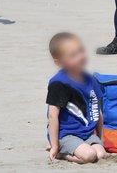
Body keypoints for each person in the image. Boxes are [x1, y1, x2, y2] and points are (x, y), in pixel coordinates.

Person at [45, 32, 106, 164]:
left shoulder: (90, 79)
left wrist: (101, 138)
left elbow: (98, 111)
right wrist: (55, 145)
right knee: (89, 156)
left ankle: (80, 149)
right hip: (65, 134)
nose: (80, 57)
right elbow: (52, 116)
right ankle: (61, 153)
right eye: (73, 55)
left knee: (100, 154)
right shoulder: (59, 83)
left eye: (81, 51)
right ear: (59, 62)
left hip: (87, 133)